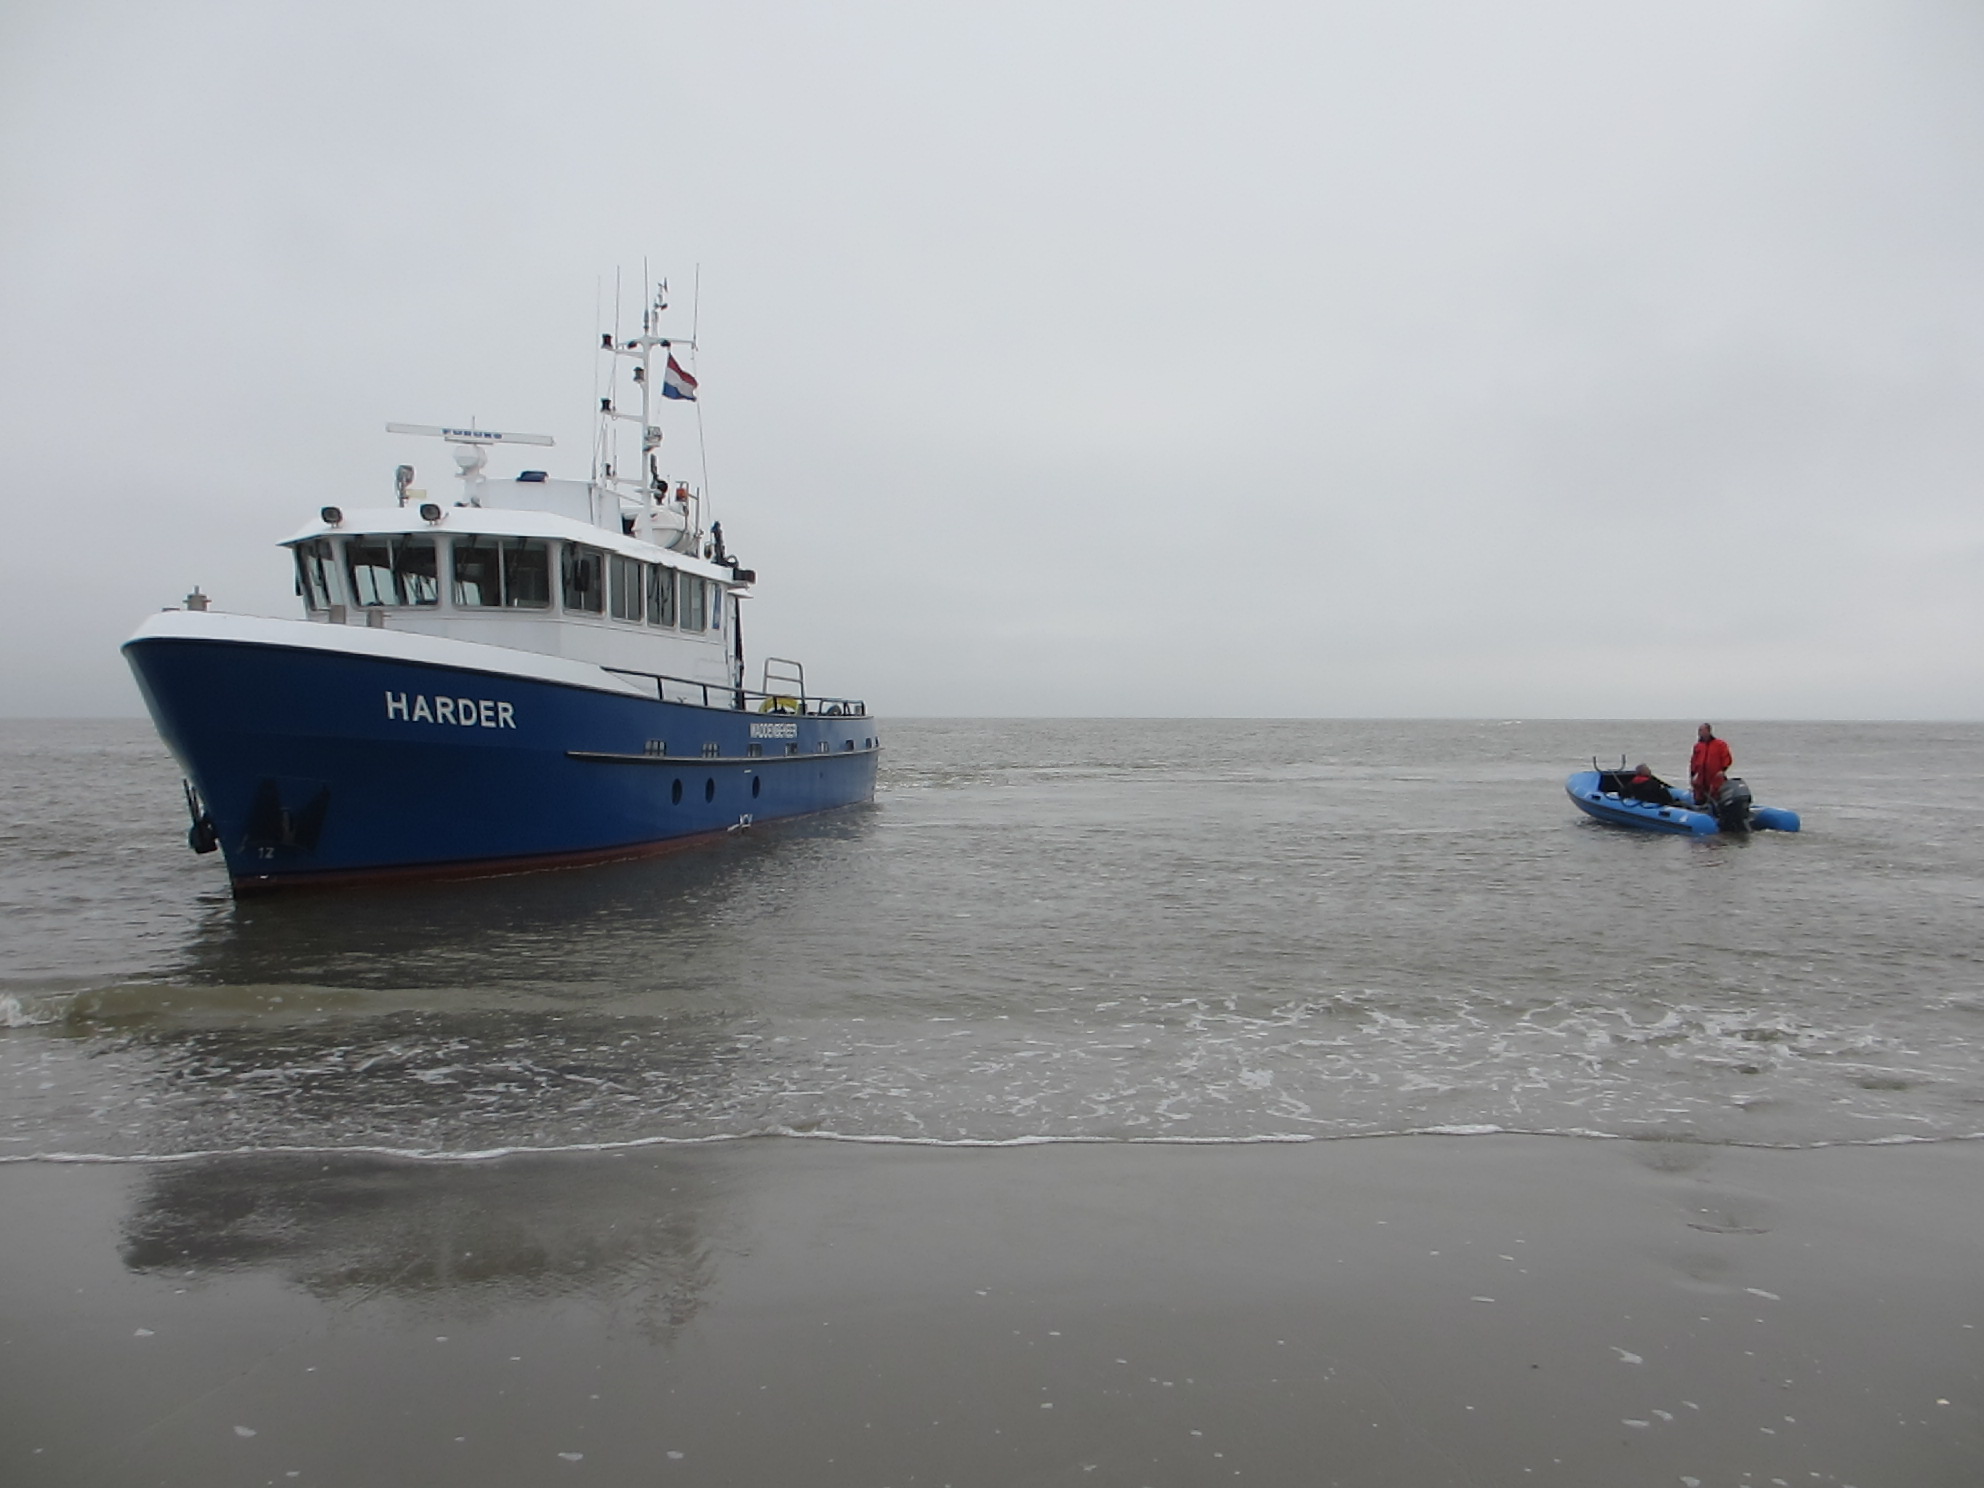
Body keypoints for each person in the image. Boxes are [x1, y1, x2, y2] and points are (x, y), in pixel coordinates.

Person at [1690, 724, 1733, 806]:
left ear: (1708, 731)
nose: (1699, 733)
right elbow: (1693, 761)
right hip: (1701, 778)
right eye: (1699, 730)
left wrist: (1723, 770)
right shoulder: (1698, 746)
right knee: (1699, 797)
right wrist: (1692, 775)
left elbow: (1726, 758)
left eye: (1701, 730)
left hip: (1715, 777)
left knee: (1716, 795)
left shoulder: (1720, 744)